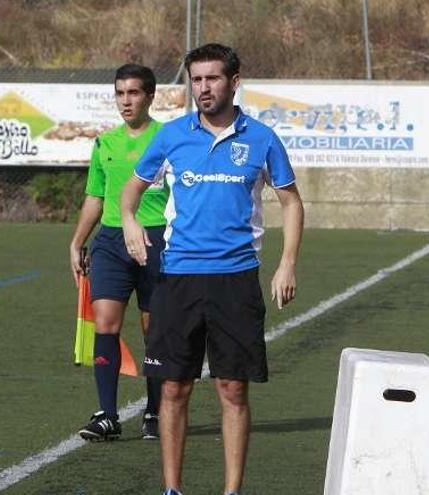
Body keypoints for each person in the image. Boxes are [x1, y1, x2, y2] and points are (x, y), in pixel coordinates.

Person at [120, 43, 304, 495]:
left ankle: (232, 490)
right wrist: (128, 221)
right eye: (196, 79)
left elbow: (291, 202)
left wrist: (287, 263)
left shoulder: (261, 138)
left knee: (232, 390)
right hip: (178, 278)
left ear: (234, 81)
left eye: (212, 78)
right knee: (173, 390)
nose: (203, 87)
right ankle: (172, 489)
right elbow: (132, 190)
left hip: (236, 280)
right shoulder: (172, 136)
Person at [69, 63, 167, 442]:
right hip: (110, 241)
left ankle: (155, 412)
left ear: (150, 96)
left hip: (156, 239)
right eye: (120, 93)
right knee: (105, 322)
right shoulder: (104, 143)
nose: (126, 101)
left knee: (153, 329)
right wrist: (78, 241)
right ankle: (108, 416)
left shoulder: (168, 137)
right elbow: (94, 197)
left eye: (134, 93)